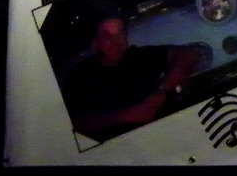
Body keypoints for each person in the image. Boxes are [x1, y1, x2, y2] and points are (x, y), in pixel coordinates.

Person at [61, 15, 201, 142]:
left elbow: (187, 54)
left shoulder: (139, 57)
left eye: (120, 34)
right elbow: (73, 123)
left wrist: (162, 90)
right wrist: (126, 115)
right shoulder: (80, 75)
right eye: (108, 36)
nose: (116, 41)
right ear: (95, 42)